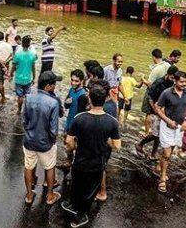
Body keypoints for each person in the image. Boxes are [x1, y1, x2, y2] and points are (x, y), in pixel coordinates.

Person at [62, 84, 121, 228]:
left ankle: (73, 207)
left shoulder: (79, 118)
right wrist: (104, 139)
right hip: (97, 164)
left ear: (90, 99)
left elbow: (69, 142)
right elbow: (117, 146)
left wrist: (74, 148)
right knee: (89, 192)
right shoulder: (112, 122)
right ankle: (79, 217)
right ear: (105, 98)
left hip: (80, 161)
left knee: (76, 185)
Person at [22, 70, 63, 206]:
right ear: (47, 86)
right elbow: (53, 129)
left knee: (28, 166)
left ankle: (29, 195)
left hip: (29, 140)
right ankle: (50, 195)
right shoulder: (53, 102)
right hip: (45, 143)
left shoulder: (28, 98)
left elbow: (24, 121)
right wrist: (52, 141)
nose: (55, 87)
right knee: (50, 167)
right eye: (53, 84)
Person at [155, 70, 186, 193]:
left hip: (179, 128)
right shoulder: (166, 93)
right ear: (175, 81)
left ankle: (161, 163)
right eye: (181, 81)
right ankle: (162, 178)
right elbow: (157, 108)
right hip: (167, 127)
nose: (184, 84)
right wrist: (167, 120)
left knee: (170, 151)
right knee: (167, 154)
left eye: (185, 81)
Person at [135, 65, 178, 159]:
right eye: (172, 78)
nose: (173, 80)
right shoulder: (159, 82)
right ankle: (140, 144)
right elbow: (150, 97)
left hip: (164, 111)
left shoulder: (172, 84)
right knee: (155, 134)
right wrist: (155, 109)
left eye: (174, 79)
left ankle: (153, 154)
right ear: (167, 74)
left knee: (159, 134)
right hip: (156, 110)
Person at [11, 36, 37, 115]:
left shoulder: (17, 55)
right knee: (27, 96)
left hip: (19, 79)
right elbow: (33, 67)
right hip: (28, 79)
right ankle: (26, 110)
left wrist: (11, 74)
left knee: (20, 96)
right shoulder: (32, 55)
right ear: (29, 44)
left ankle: (19, 110)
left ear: (22, 44)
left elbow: (13, 66)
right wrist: (34, 77)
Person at [64, 69, 88, 133]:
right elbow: (66, 106)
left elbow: (81, 116)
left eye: (76, 81)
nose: (73, 83)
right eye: (72, 80)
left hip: (75, 127)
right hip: (68, 122)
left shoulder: (83, 95)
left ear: (81, 81)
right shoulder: (71, 90)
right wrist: (66, 103)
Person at [0, 31, 13, 103]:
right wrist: (6, 62)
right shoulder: (8, 45)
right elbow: (11, 56)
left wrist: (2, 64)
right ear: (3, 37)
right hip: (7, 64)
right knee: (3, 80)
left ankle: (3, 97)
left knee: (0, 81)